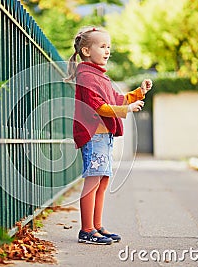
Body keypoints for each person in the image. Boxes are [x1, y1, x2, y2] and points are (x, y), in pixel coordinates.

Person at [65, 26, 152, 245]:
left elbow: (117, 99)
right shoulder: (86, 76)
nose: (107, 51)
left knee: (102, 181)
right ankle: (86, 230)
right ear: (86, 51)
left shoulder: (100, 76)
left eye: (109, 47)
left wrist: (139, 92)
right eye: (102, 46)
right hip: (94, 138)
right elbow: (99, 107)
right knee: (93, 181)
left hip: (104, 137)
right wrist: (127, 111)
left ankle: (96, 226)